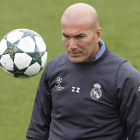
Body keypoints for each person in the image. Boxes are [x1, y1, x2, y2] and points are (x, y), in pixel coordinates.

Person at [26, 3, 140, 140]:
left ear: (97, 34)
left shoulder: (124, 77)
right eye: (66, 36)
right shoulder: (53, 69)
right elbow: (38, 130)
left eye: (80, 37)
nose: (72, 45)